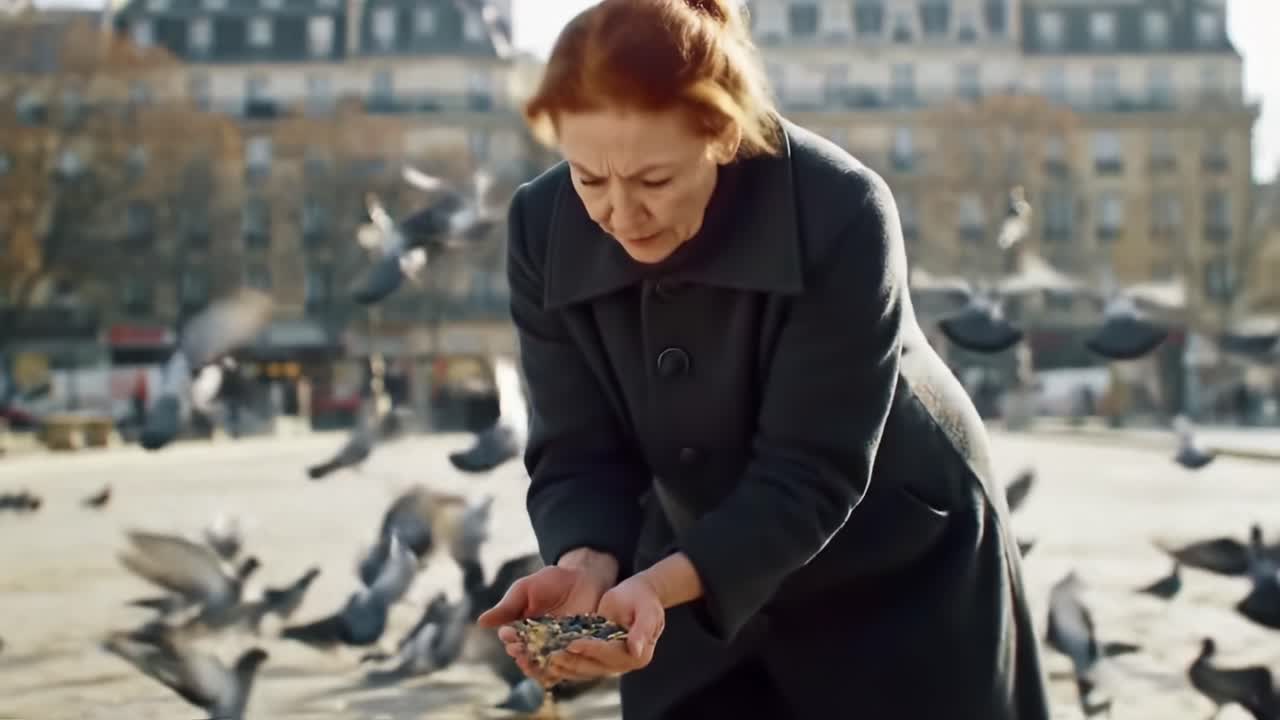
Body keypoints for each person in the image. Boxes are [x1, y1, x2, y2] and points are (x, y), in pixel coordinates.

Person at [477, 1, 1051, 718]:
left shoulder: (843, 208)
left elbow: (811, 470)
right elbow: (576, 445)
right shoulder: (541, 225)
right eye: (590, 178)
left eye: (653, 181)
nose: (621, 214)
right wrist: (585, 565)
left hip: (893, 561)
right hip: (690, 566)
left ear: (720, 134)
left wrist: (657, 587)